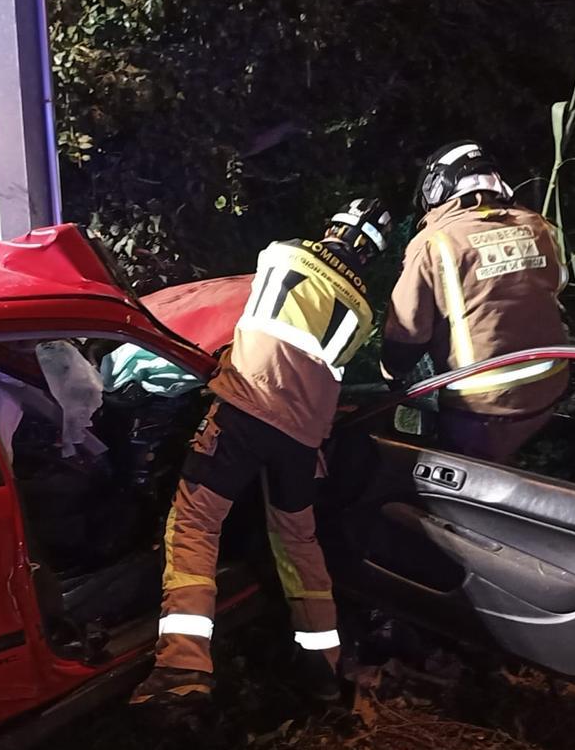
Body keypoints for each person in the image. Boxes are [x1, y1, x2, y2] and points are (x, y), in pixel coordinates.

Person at [131, 198, 393, 709]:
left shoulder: (285, 254)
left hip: (246, 410)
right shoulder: (362, 311)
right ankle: (323, 663)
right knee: (299, 540)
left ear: (333, 227)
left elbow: (242, 308)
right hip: (301, 441)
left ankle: (182, 666)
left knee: (196, 523)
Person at [382, 141, 568, 463]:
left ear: (438, 187)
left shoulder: (435, 243)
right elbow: (556, 285)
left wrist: (391, 372)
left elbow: (408, 332)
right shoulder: (537, 226)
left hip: (482, 404)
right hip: (550, 388)